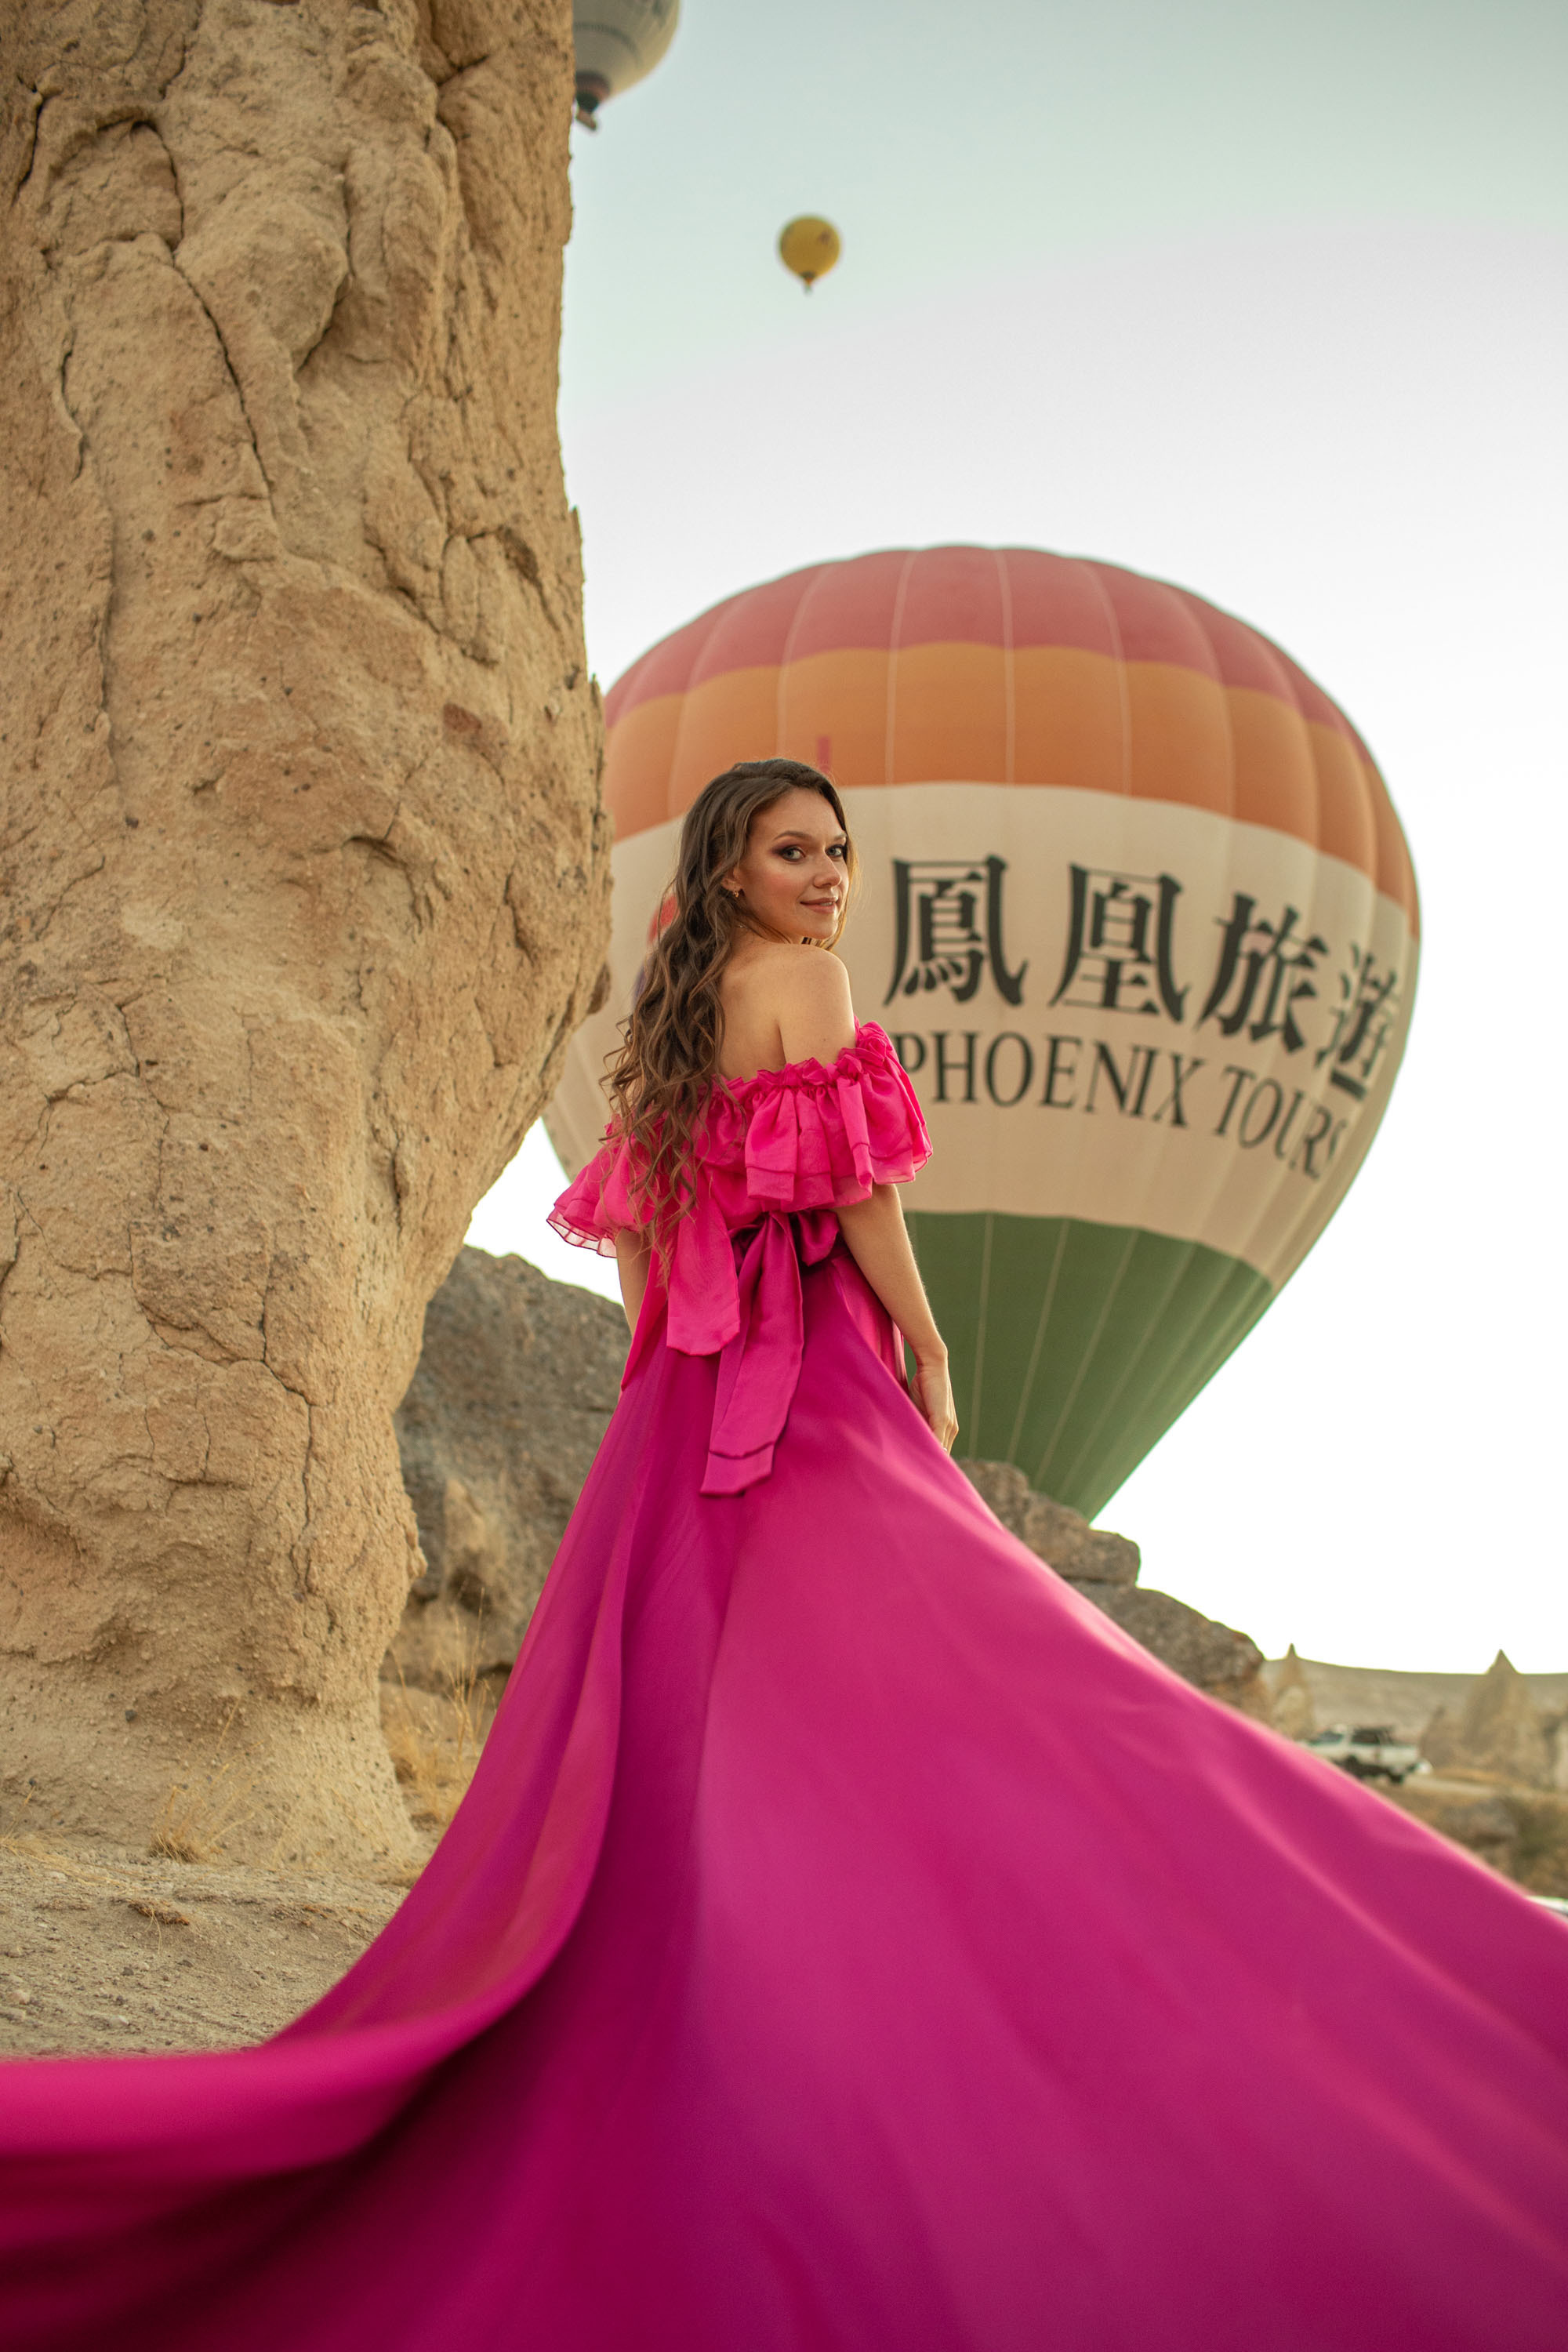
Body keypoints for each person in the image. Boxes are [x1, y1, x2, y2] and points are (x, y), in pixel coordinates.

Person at [0, 758, 1566, 2350]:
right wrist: (930, 1348)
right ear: (733, 869)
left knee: (688, 1711)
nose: (830, 874)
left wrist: (665, 1364)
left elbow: (631, 1227)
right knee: (989, 1659)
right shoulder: (810, 983)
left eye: (842, 850)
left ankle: (737, 2005)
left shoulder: (676, 1023)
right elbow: (865, 1193)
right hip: (806, 1376)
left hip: (681, 1400)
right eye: (794, 850)